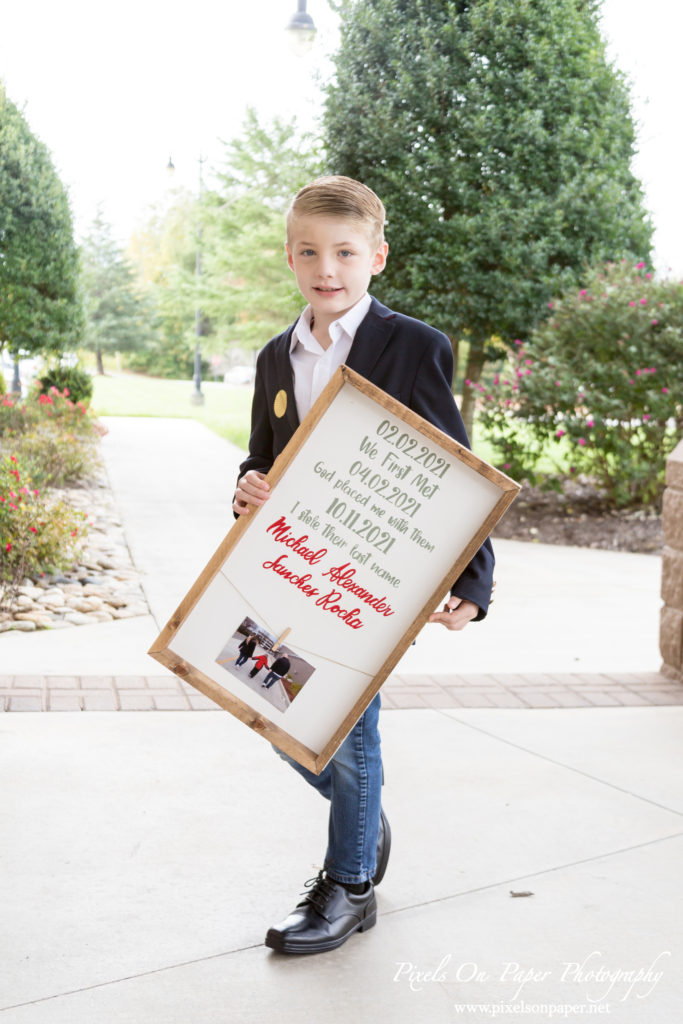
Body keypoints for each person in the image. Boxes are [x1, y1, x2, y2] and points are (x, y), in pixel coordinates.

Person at [233, 175, 494, 955]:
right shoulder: (276, 356)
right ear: (290, 256)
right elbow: (261, 458)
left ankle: (349, 888)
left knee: (349, 735)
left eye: (345, 252)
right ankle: (360, 811)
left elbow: (455, 471)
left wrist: (472, 580)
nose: (327, 268)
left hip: (371, 580)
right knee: (276, 711)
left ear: (375, 256)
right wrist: (246, 487)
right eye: (310, 251)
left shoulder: (413, 346)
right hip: (288, 571)